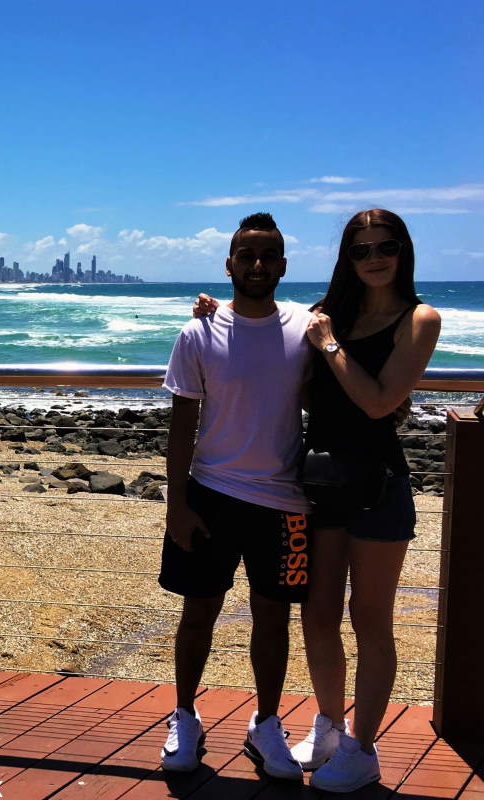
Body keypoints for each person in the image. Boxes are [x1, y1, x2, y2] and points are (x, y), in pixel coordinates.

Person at [190, 208, 440, 793]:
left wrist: (329, 347)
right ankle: (329, 725)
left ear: (403, 251)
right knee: (318, 616)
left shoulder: (418, 318)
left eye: (385, 246)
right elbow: (274, 343)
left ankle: (365, 747)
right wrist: (212, 312)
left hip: (380, 486)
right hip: (321, 484)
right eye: (359, 249)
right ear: (345, 257)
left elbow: (379, 403)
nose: (373, 257)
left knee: (370, 620)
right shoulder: (331, 313)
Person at [159, 212, 311, 781]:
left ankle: (266, 723)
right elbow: (182, 424)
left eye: (268, 255)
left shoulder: (307, 326)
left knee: (274, 622)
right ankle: (184, 715)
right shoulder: (198, 332)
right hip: (211, 494)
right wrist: (177, 504)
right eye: (246, 255)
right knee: (198, 613)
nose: (256, 265)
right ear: (228, 264)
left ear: (283, 265)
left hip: (285, 501)